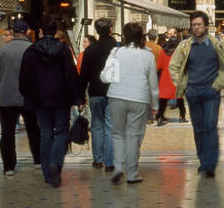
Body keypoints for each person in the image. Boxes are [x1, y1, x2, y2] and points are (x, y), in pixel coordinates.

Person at [18, 12, 83, 188]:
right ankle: (56, 163)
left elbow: (24, 78)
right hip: (61, 98)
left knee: (45, 132)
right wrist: (78, 98)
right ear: (55, 31)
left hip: (40, 99)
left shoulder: (31, 51)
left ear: (40, 31)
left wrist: (27, 96)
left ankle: (47, 172)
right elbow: (71, 75)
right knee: (62, 131)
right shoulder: (63, 50)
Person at [169, 11, 224, 176]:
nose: (195, 28)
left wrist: (217, 85)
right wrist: (184, 86)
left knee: (210, 127)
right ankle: (203, 160)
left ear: (206, 26)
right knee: (198, 128)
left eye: (198, 24)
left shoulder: (217, 45)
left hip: (211, 92)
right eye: (193, 25)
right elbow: (173, 67)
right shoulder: (185, 46)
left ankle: (210, 164)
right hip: (193, 92)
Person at [106, 22, 159, 185]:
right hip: (139, 98)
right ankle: (132, 173)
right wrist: (155, 105)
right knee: (133, 136)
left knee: (117, 134)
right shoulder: (148, 56)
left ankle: (118, 167)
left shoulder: (116, 52)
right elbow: (153, 84)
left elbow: (106, 76)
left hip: (116, 96)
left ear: (125, 36)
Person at [0, 18, 41, 174]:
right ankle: (38, 160)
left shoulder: (3, 50)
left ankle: (9, 166)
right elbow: (37, 76)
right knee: (33, 129)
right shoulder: (32, 49)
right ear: (27, 32)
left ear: (13, 32)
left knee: (7, 132)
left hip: (7, 97)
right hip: (27, 97)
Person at [79, 18, 117, 169]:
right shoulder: (116, 48)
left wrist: (80, 96)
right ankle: (110, 162)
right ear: (111, 29)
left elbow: (84, 75)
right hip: (113, 92)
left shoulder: (90, 49)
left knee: (96, 126)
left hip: (95, 92)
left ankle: (97, 159)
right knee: (110, 126)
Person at [160, 27, 188, 123]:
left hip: (166, 77)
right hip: (176, 76)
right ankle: (182, 116)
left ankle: (160, 117)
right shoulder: (181, 48)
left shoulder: (163, 48)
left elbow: (160, 64)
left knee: (163, 100)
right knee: (180, 99)